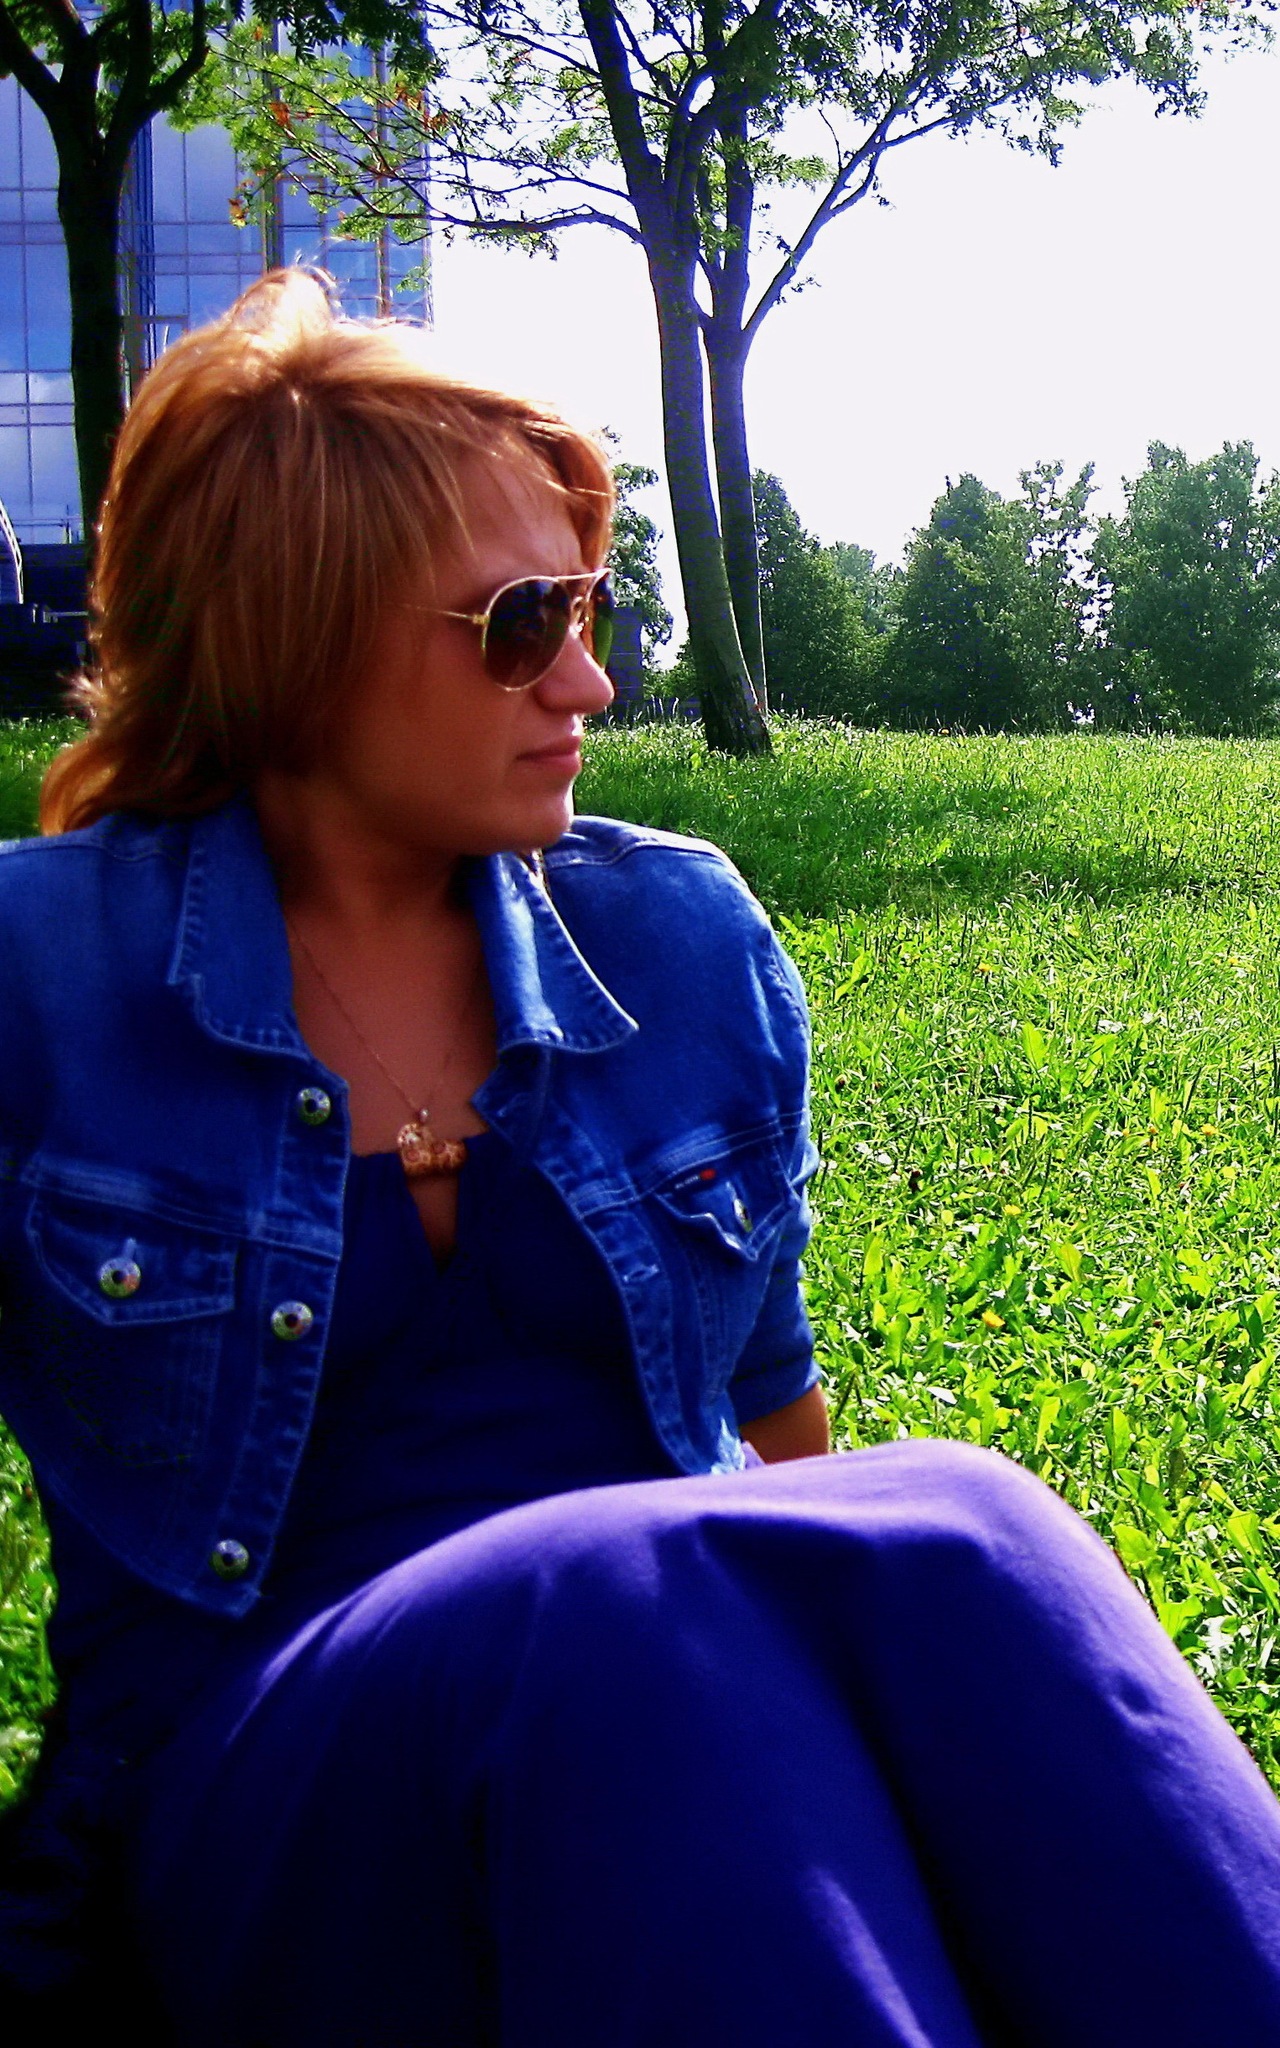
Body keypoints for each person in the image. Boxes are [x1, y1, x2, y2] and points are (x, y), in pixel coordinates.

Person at [1, 269, 1279, 2047]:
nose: (591, 677)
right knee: (626, 1596)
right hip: (260, 1785)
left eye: (587, 606)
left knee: (968, 1520)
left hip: (669, 1697)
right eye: (523, 621)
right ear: (300, 630)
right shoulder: (42, 973)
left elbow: (775, 1431)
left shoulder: (674, 932)